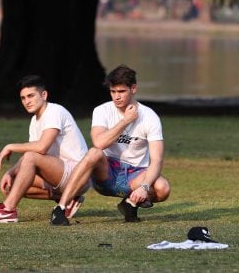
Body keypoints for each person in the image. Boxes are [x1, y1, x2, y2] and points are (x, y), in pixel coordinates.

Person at [50, 64, 171, 226]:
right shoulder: (102, 111)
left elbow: (156, 160)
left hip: (135, 175)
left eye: (121, 91)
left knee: (163, 188)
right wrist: (125, 121)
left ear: (133, 89)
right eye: (113, 92)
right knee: (94, 152)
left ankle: (130, 205)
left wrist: (144, 186)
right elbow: (99, 143)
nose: (116, 97)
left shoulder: (149, 116)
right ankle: (60, 208)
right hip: (107, 174)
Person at [0, 75, 90, 223]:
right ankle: (69, 200)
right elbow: (32, 154)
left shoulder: (54, 111)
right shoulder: (34, 120)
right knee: (11, 185)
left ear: (44, 95)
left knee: (31, 157)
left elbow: (41, 148)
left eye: (30, 96)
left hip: (78, 174)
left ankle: (8, 211)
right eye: (23, 98)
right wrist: (11, 172)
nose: (27, 101)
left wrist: (11, 146)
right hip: (59, 173)